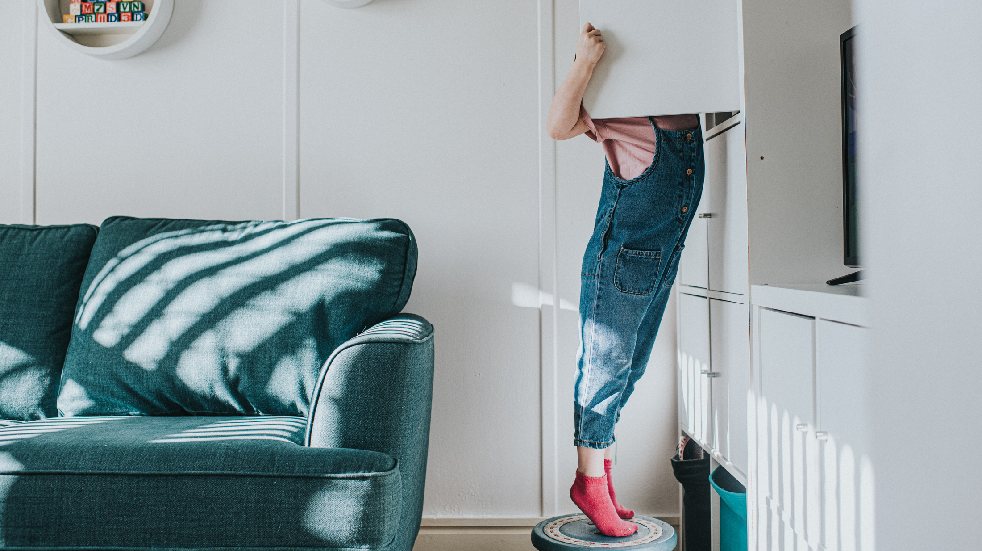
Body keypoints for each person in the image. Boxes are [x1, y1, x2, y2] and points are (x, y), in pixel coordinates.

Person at [546, 21, 705, 537]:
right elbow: (558, 124)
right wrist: (585, 62)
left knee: (628, 371)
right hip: (618, 264)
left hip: (658, 263)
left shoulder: (680, 96)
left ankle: (604, 478)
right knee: (604, 369)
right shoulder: (621, 103)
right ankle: (589, 483)